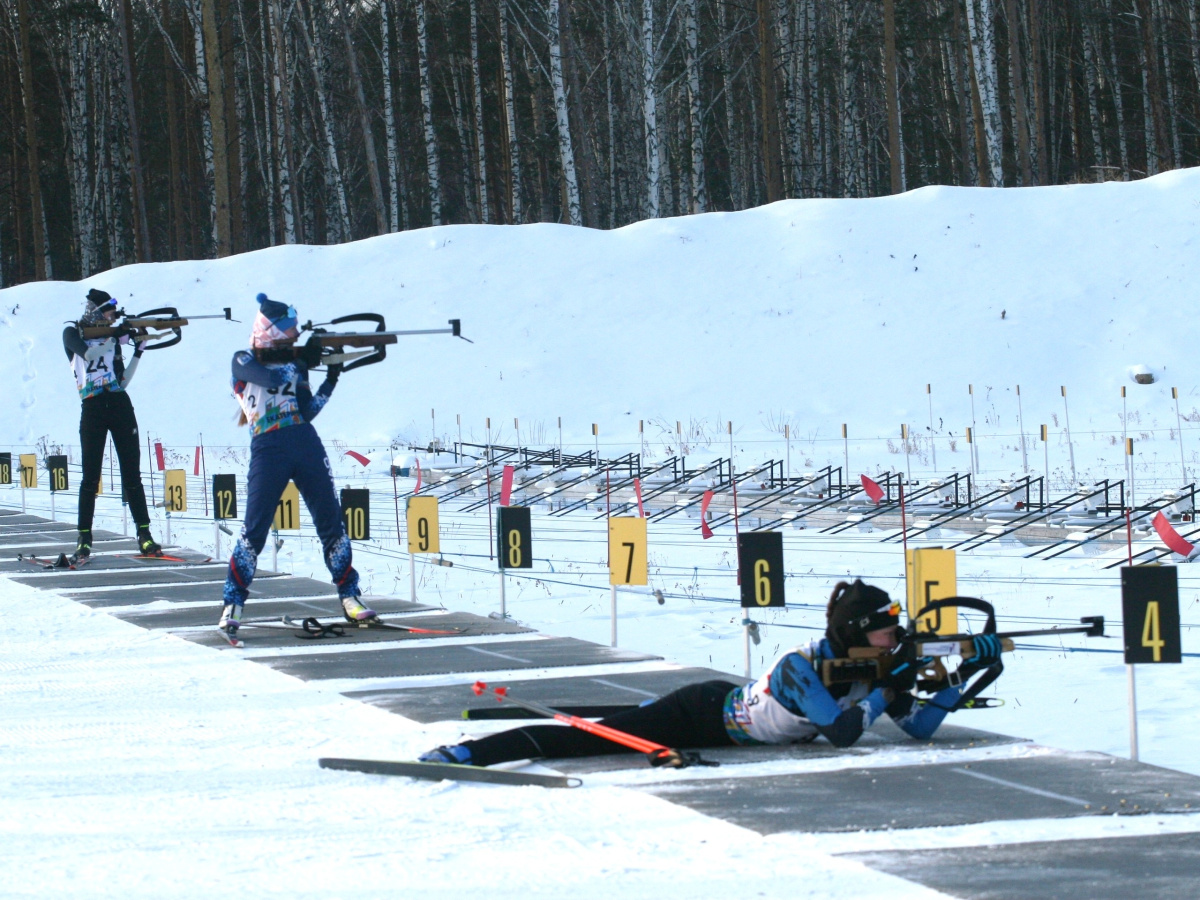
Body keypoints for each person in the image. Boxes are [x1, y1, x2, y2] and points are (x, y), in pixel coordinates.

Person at [420, 579, 1002, 766]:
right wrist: (891, 688)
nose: (895, 640)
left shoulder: (870, 670)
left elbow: (920, 730)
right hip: (701, 714)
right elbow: (844, 733)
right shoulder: (801, 664)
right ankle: (469, 752)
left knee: (606, 728)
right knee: (589, 738)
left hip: (733, 716)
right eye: (885, 630)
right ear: (855, 631)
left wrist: (961, 682)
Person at [218, 293, 376, 643]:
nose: (293, 337)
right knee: (254, 528)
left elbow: (306, 410)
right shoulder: (243, 359)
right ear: (270, 330)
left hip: (304, 440)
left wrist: (331, 379)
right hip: (268, 446)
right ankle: (233, 603)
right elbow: (267, 378)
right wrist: (302, 358)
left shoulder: (295, 361)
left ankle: (349, 595)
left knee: (330, 521)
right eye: (288, 331)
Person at [62, 288, 162, 562]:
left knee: (132, 474)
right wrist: (116, 336)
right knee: (90, 477)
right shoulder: (73, 333)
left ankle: (144, 534)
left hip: (119, 404)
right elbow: (88, 355)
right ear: (95, 310)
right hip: (92, 408)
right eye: (108, 311)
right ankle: (84, 538)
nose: (112, 316)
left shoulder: (113, 338)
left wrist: (138, 350)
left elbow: (123, 381)